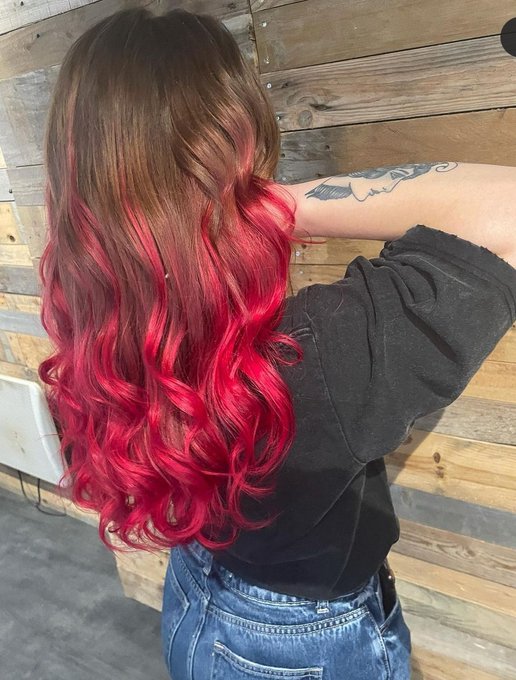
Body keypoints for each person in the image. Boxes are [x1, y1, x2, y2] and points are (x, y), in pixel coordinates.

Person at [38, 7, 516, 680]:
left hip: (196, 594)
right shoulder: (313, 354)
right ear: (238, 145)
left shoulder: (99, 326)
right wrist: (277, 205)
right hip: (298, 650)